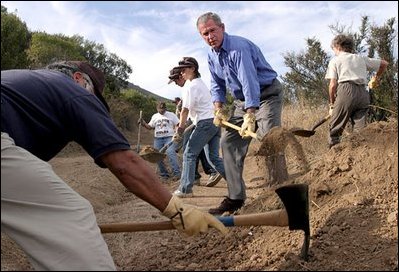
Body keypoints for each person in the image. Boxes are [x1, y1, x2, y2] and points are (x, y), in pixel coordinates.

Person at [1, 61, 228, 270]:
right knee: (73, 216)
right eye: (94, 96)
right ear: (79, 79)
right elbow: (123, 163)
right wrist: (178, 211)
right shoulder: (71, 90)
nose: (92, 102)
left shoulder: (30, 92)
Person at [196, 12, 286, 215]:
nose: (210, 36)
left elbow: (249, 81)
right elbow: (216, 84)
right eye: (205, 34)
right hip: (242, 101)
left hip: (266, 95)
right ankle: (236, 198)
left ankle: (281, 191)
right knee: (228, 142)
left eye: (212, 31)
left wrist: (251, 114)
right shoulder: (211, 55)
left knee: (270, 138)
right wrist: (218, 108)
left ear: (222, 28)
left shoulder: (239, 48)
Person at [171, 57, 226, 197]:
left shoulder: (191, 86)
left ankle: (185, 189)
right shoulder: (199, 83)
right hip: (214, 123)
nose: (181, 73)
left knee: (189, 153)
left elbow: (185, 110)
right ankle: (235, 181)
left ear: (193, 69)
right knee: (213, 157)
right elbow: (192, 112)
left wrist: (180, 130)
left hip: (205, 123)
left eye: (184, 70)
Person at [325, 34, 389, 148]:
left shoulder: (335, 60)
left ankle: (333, 155)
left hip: (346, 91)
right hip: (363, 93)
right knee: (360, 131)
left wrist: (331, 104)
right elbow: (384, 64)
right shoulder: (360, 58)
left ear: (338, 46)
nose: (334, 51)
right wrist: (375, 78)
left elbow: (333, 85)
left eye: (333, 49)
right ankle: (359, 153)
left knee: (335, 128)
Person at [139, 101, 181, 181]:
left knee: (170, 152)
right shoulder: (155, 116)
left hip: (169, 137)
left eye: (163, 109)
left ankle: (177, 174)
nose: (161, 111)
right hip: (158, 138)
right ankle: (164, 174)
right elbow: (150, 127)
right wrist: (143, 123)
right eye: (160, 109)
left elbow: (178, 124)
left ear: (165, 108)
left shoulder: (171, 115)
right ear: (157, 108)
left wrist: (177, 132)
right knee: (157, 156)